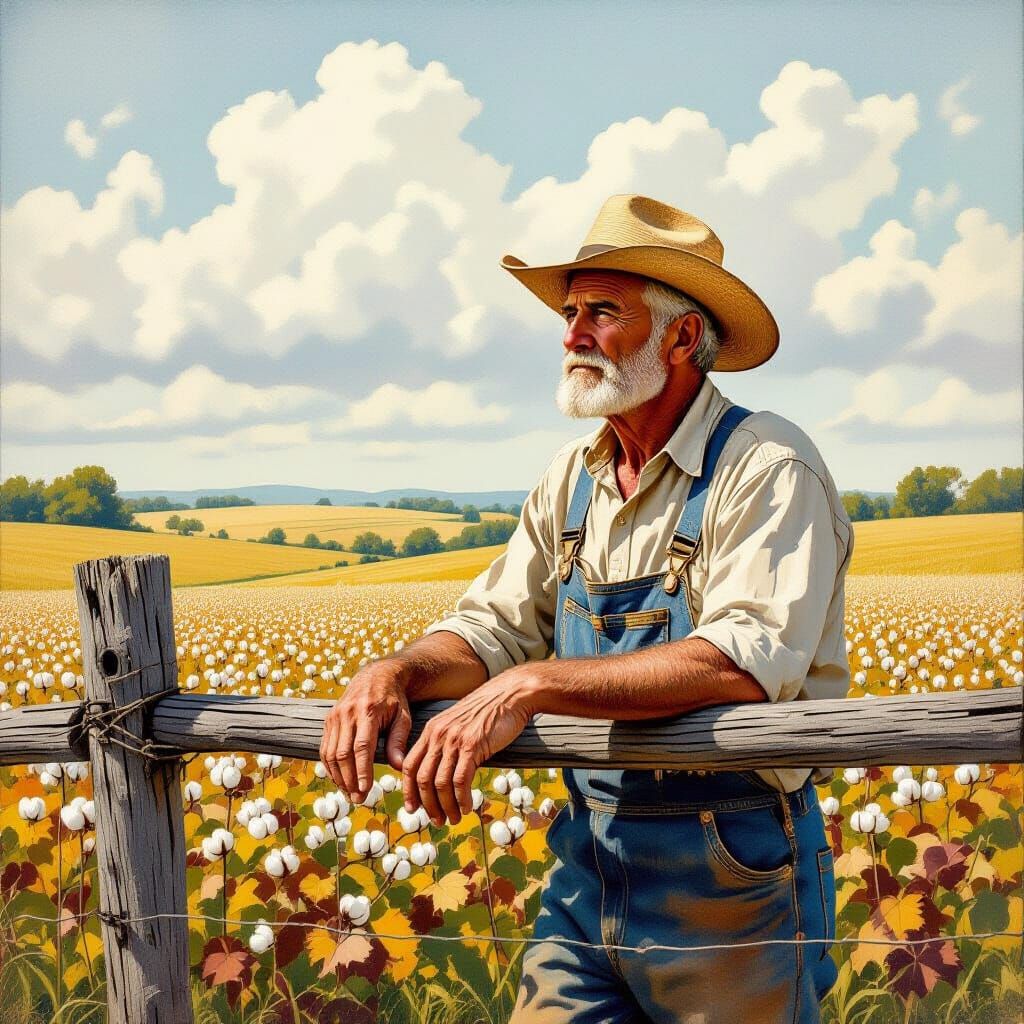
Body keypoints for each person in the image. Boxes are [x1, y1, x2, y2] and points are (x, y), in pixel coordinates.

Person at [319, 193, 854, 1023]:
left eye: (604, 312)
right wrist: (397, 670)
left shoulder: (768, 466)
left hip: (731, 874)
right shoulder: (574, 474)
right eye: (571, 312)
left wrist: (531, 687)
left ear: (681, 338)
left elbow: (740, 661)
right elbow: (492, 629)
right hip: (586, 865)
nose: (572, 334)